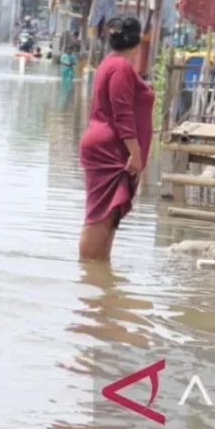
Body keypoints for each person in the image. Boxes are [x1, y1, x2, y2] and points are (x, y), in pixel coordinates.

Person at [77, 16, 154, 263]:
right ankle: (88, 274)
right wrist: (136, 153)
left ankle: (99, 278)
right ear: (139, 42)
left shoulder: (110, 63)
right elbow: (123, 114)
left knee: (108, 216)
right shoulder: (120, 67)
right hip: (110, 150)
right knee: (100, 214)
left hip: (110, 146)